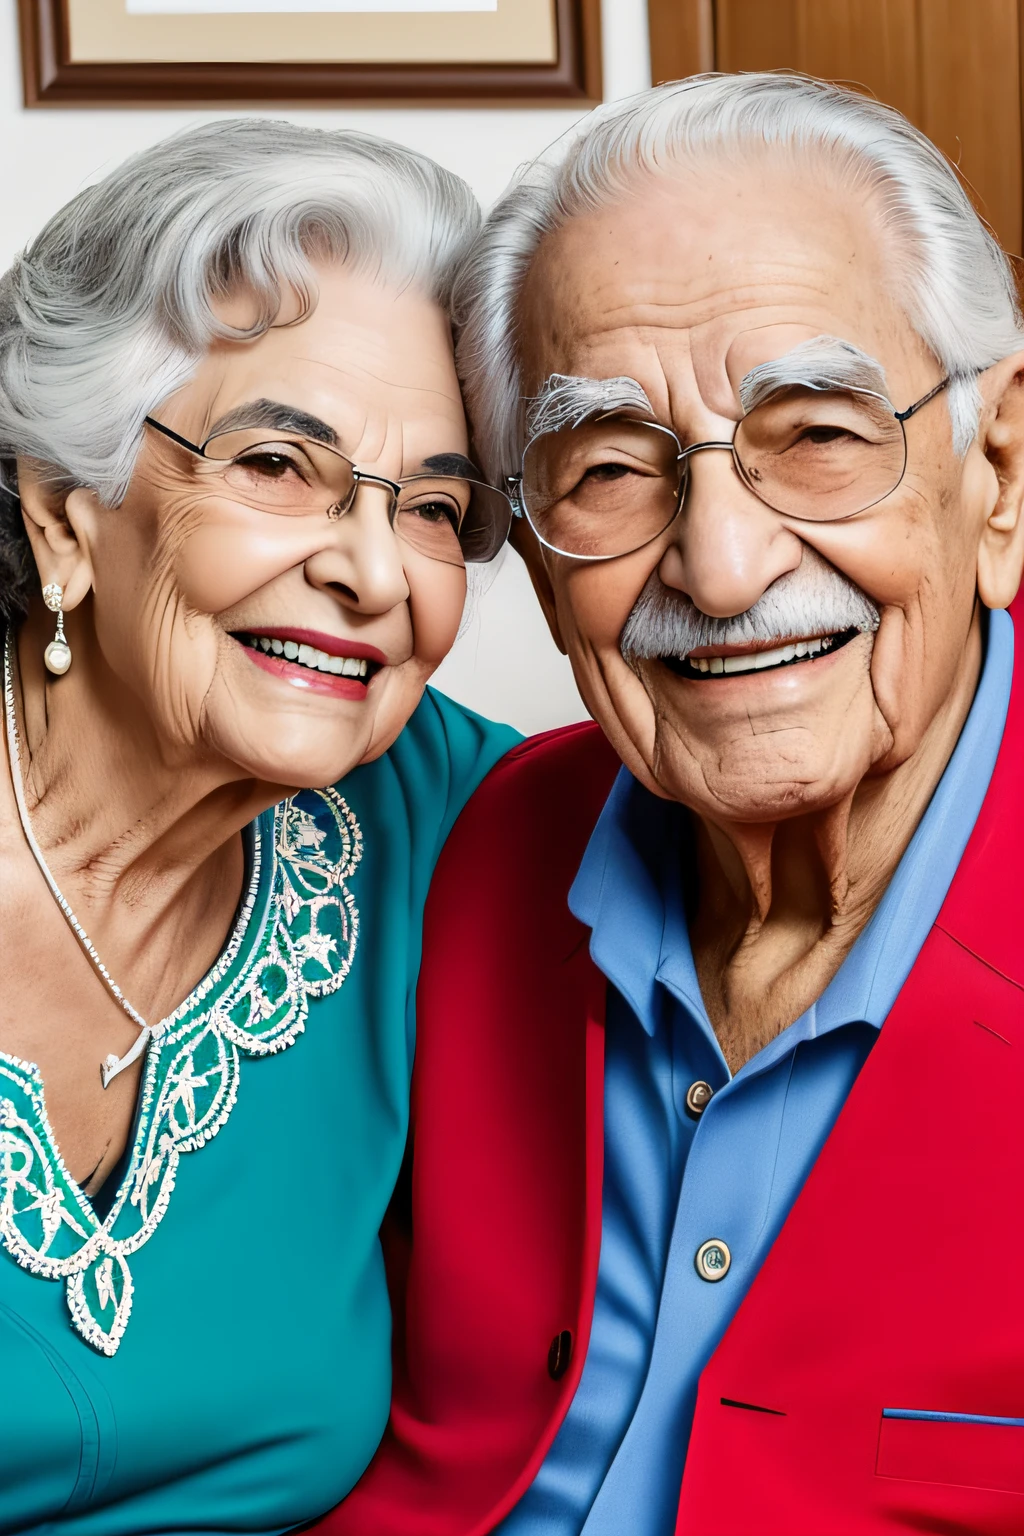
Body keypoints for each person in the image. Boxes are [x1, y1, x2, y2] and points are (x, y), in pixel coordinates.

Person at [324, 74, 1024, 1536]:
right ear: (526, 541)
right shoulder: (484, 845)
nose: (719, 566)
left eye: (819, 435)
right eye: (609, 471)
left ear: (998, 478)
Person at [0, 119, 516, 1534]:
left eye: (430, 505)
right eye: (279, 465)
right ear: (65, 515)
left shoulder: (459, 823)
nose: (367, 570)